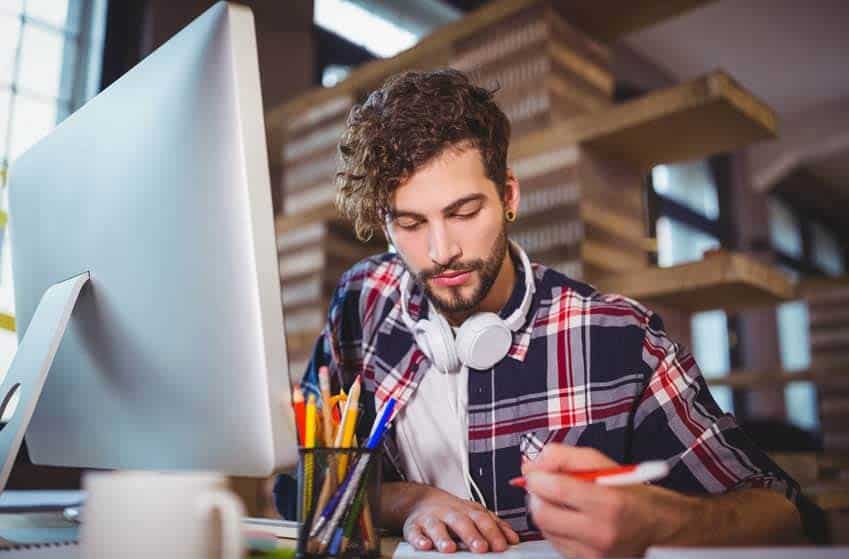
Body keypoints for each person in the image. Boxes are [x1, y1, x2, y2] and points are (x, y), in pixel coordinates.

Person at [286, 69, 808, 557]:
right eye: (410, 223)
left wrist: (662, 523)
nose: (441, 250)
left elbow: (787, 513)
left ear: (508, 194)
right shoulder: (362, 299)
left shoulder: (618, 338)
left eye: (464, 212)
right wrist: (410, 501)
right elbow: (300, 488)